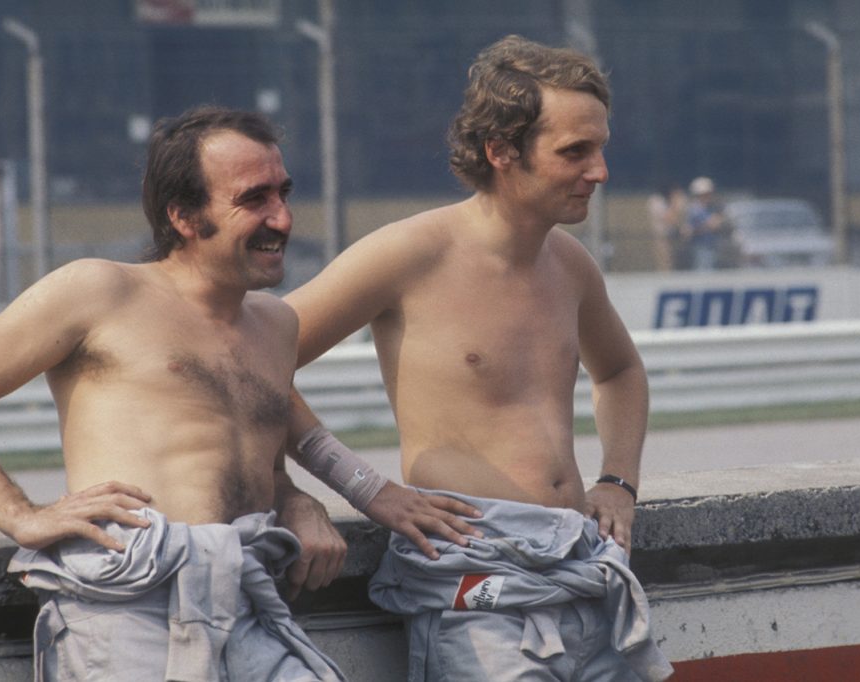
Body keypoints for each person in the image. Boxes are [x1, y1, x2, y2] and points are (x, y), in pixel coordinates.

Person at [0, 105, 475, 681]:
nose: (283, 218)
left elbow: (256, 454)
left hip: (248, 596)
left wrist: (297, 500)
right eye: (254, 200)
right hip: (131, 606)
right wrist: (20, 516)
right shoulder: (99, 291)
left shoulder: (275, 325)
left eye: (283, 193)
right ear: (184, 216)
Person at [284, 37, 674, 681]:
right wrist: (363, 487)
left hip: (583, 568)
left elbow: (621, 372)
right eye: (574, 152)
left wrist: (619, 481)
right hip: (477, 584)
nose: (600, 172)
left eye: (601, 148)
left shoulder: (570, 263)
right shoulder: (409, 252)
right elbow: (249, 361)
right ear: (501, 150)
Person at [686, 175, 727, 270]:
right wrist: (709, 225)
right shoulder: (694, 210)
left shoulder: (712, 208)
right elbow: (688, 230)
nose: (708, 196)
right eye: (705, 194)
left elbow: (719, 222)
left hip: (714, 245)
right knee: (703, 271)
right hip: (701, 247)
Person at [646, 183, 688, 271]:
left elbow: (681, 218)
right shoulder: (656, 201)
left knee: (676, 261)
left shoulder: (673, 201)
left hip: (674, 236)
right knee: (664, 260)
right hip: (661, 236)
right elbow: (668, 218)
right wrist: (675, 203)